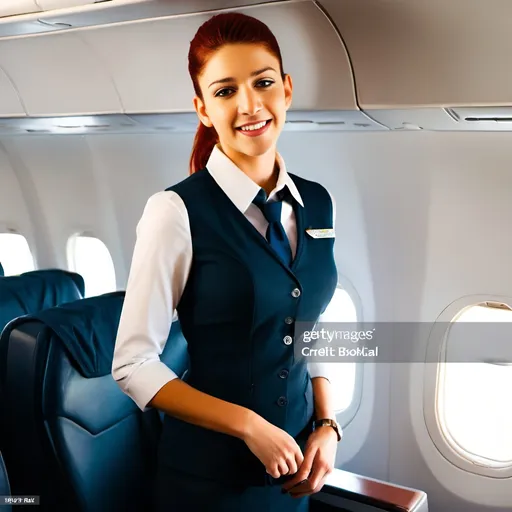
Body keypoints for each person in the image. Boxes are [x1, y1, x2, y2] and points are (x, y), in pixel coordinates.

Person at [112, 11, 342, 511]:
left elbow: (310, 327)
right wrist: (249, 425)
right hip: (208, 484)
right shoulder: (174, 212)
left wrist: (327, 424)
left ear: (286, 89)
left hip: (296, 472)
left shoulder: (319, 203)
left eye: (262, 83)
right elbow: (133, 365)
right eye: (224, 91)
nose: (249, 105)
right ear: (202, 109)